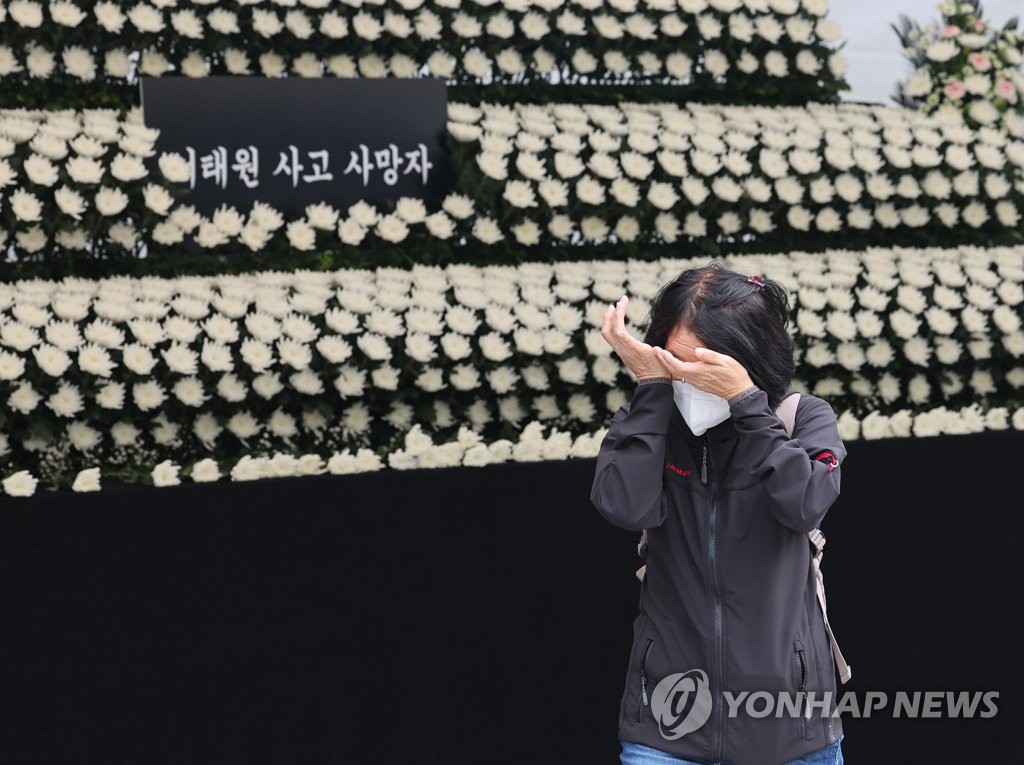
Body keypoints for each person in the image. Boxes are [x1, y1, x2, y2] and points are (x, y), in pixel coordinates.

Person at [591, 264, 847, 765]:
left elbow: (805, 505)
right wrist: (651, 389)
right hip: (666, 728)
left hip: (791, 732)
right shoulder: (652, 420)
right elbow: (622, 505)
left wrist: (747, 404)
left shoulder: (802, 419)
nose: (687, 379)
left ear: (751, 359)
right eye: (674, 362)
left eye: (704, 368)